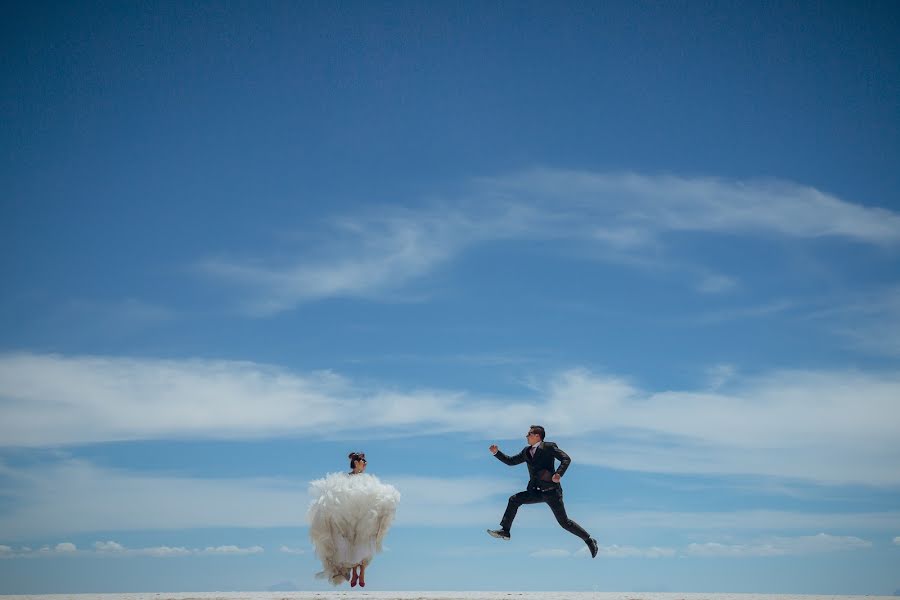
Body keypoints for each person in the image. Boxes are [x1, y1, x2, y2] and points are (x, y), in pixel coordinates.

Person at [487, 425, 599, 558]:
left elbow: (566, 459)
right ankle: (505, 531)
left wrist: (558, 474)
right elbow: (511, 461)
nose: (526, 436)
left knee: (564, 523)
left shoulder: (548, 447)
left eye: (529, 434)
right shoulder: (526, 452)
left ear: (537, 436)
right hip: (535, 492)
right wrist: (496, 453)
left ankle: (589, 540)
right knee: (514, 499)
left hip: (552, 492)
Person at [307, 452, 400, 587]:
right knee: (351, 541)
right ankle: (355, 572)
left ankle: (361, 572)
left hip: (364, 517)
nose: (366, 463)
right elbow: (339, 497)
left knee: (364, 539)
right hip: (349, 517)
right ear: (356, 463)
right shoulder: (345, 480)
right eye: (363, 461)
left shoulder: (368, 480)